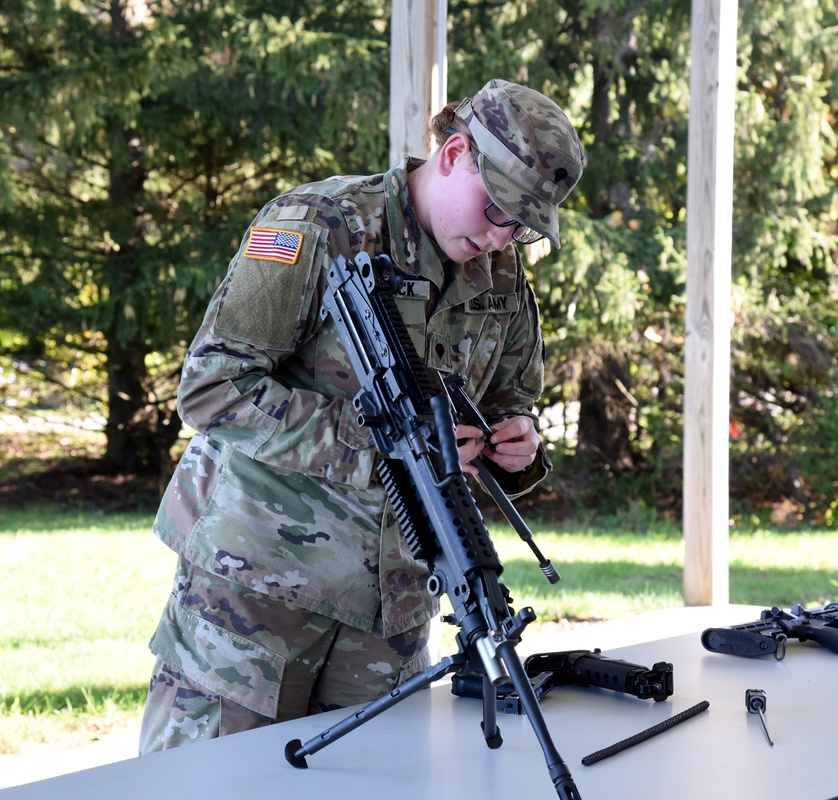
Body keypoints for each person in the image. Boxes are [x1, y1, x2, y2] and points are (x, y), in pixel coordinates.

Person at [138, 78, 585, 753]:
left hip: (393, 611)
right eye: (496, 207)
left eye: (522, 226)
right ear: (454, 152)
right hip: (259, 596)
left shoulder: (501, 274)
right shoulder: (319, 225)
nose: (501, 236)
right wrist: (376, 446)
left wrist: (513, 444)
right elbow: (212, 388)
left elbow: (504, 403)